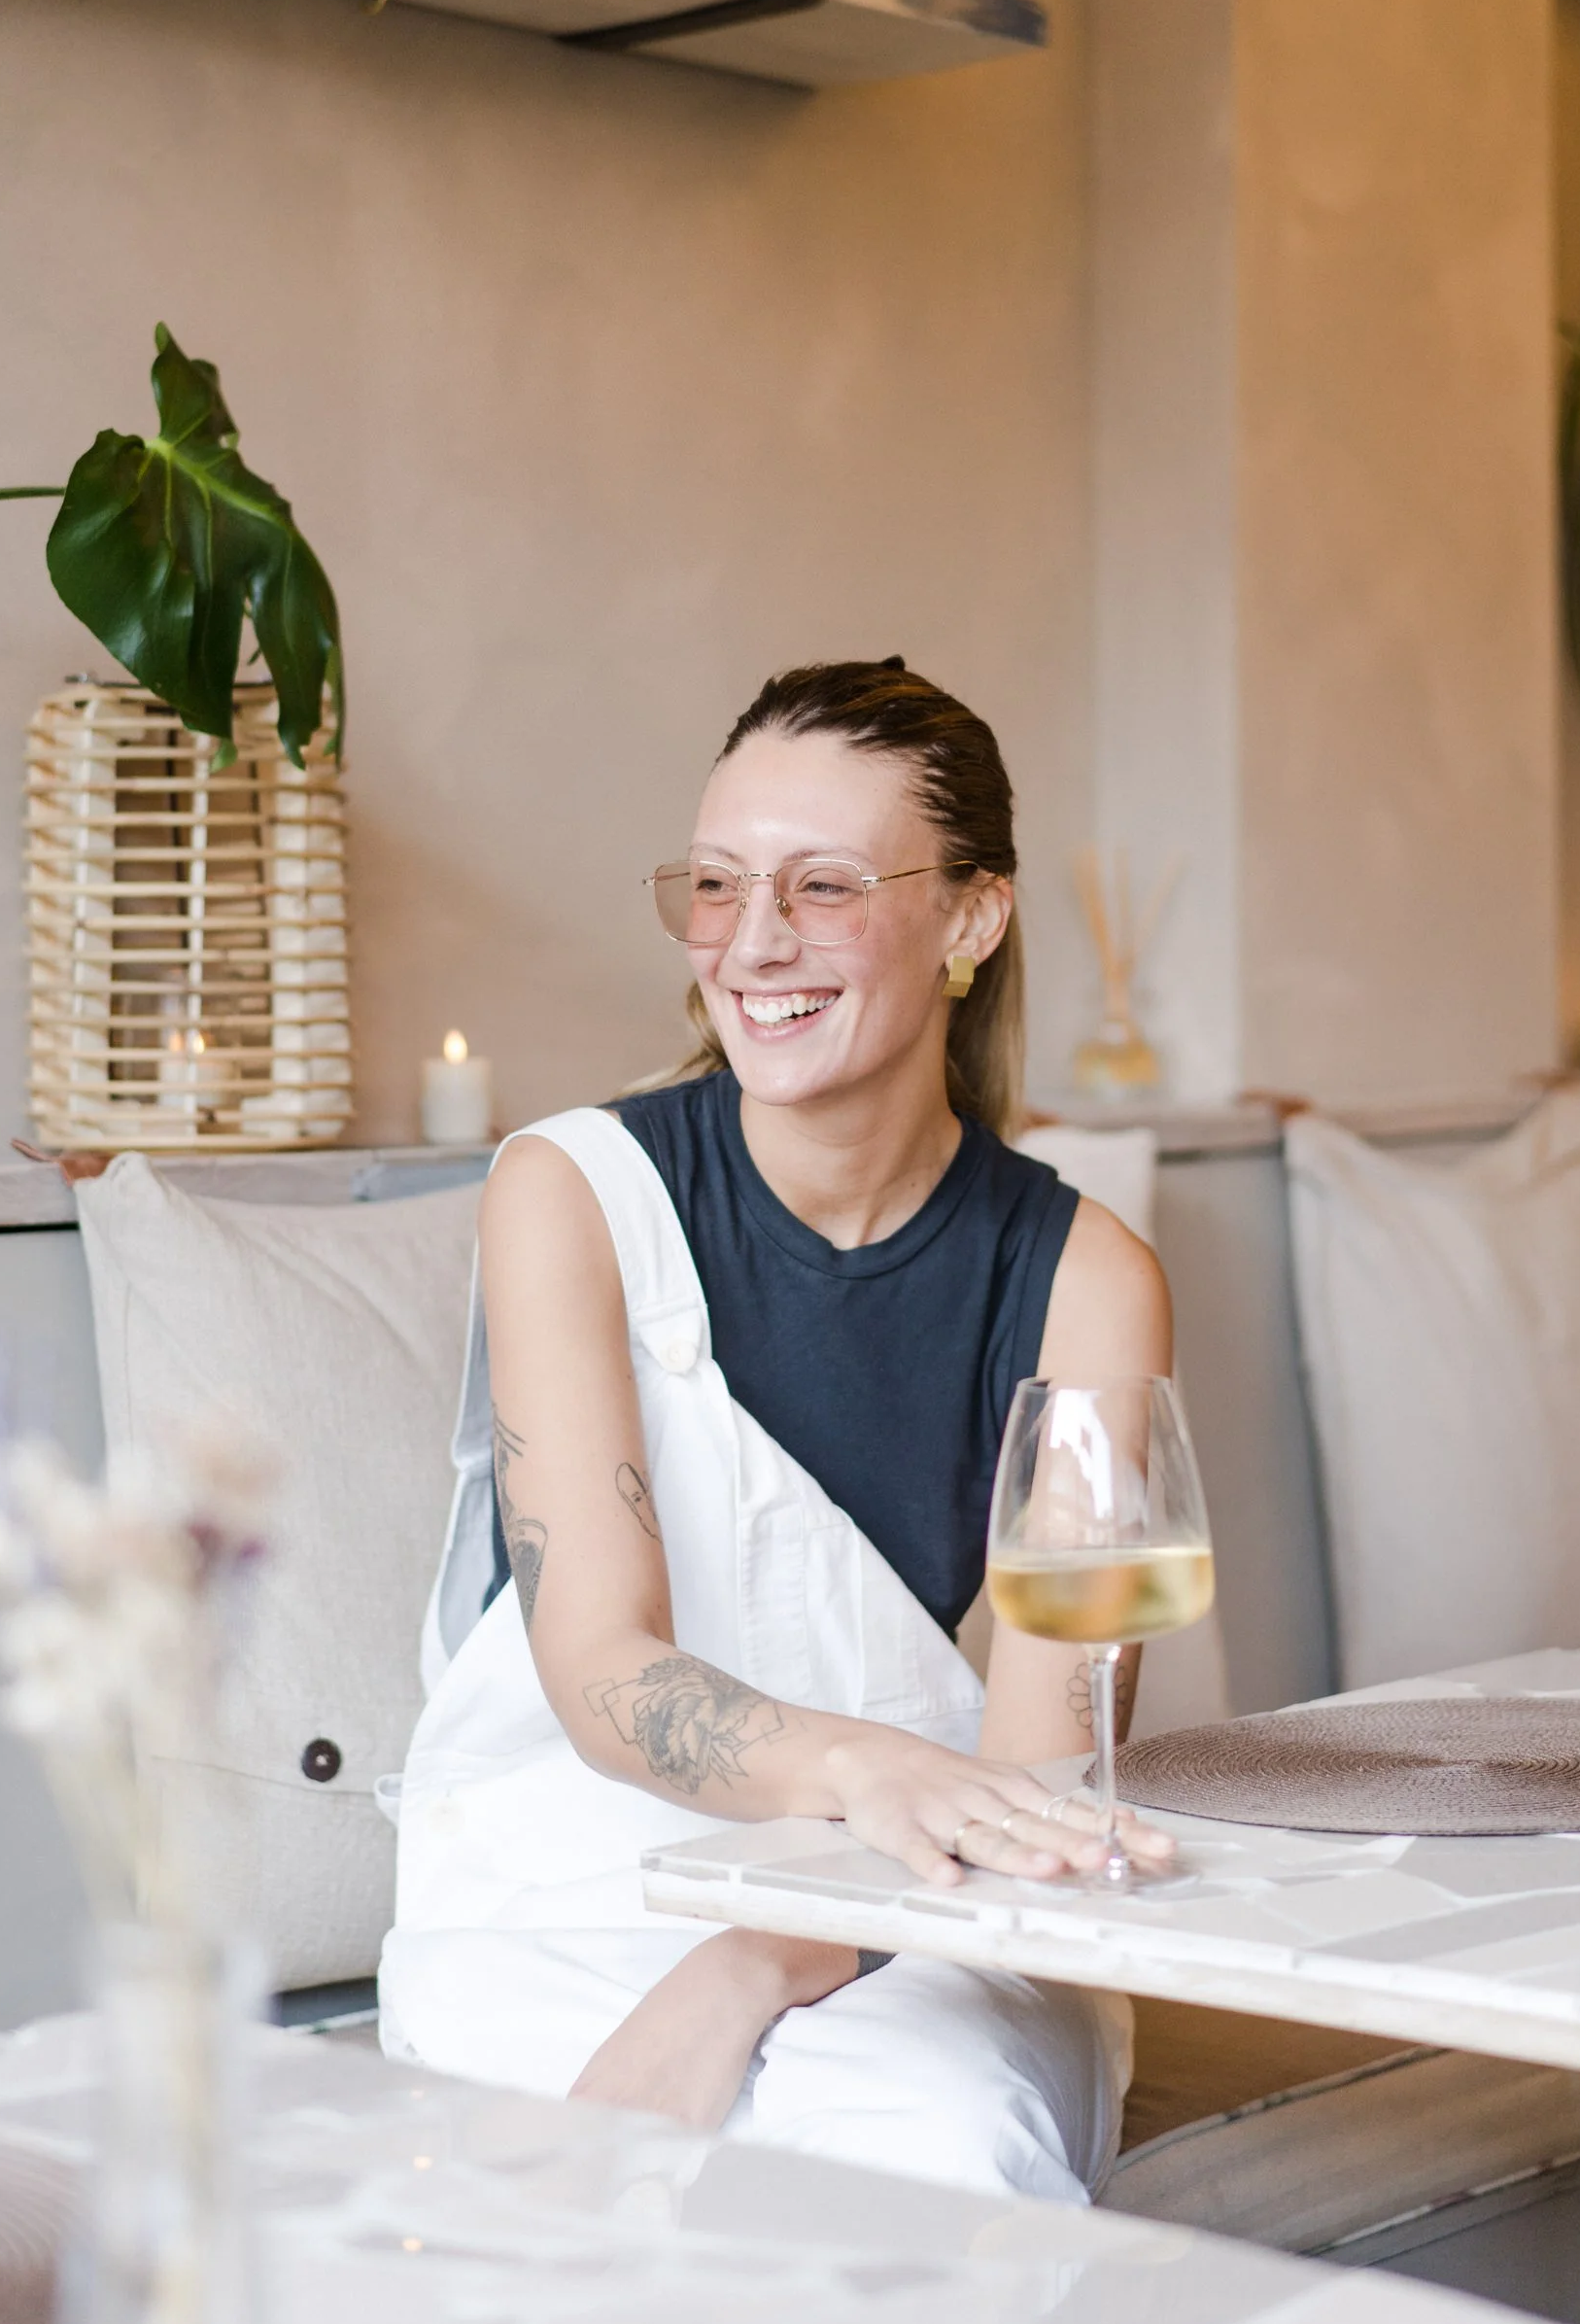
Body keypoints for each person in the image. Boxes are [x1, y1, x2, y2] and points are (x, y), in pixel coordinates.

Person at [379, 658, 1174, 2203]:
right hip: (566, 1892)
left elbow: (1038, 1785)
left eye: (822, 887)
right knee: (556, 2191)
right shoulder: (573, 1197)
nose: (752, 945)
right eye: (720, 885)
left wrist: (758, 1960)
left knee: (945, 2149)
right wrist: (849, 1788)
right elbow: (602, 1669)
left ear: (971, 918)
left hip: (921, 1910)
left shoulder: (1089, 1284)